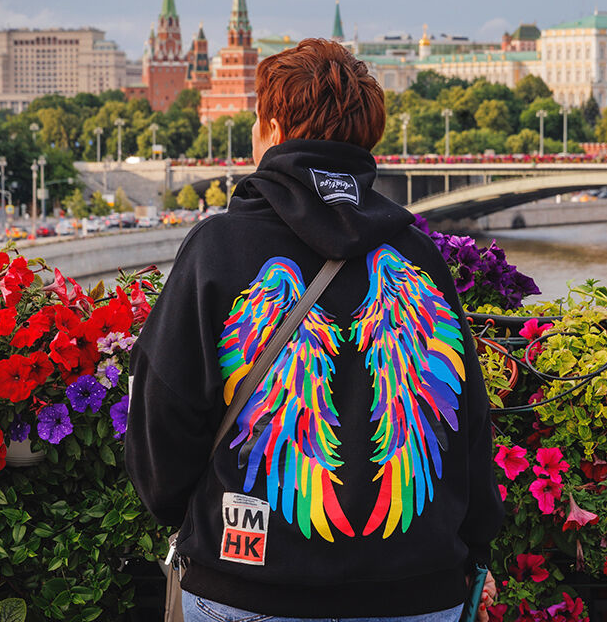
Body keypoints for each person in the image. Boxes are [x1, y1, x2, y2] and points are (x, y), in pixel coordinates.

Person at [127, 38, 504, 622]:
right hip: (414, 591)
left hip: (246, 582)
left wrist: (191, 515)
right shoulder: (418, 257)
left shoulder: (219, 249)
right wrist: (474, 550)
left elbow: (163, 418)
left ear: (273, 129)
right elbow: (467, 421)